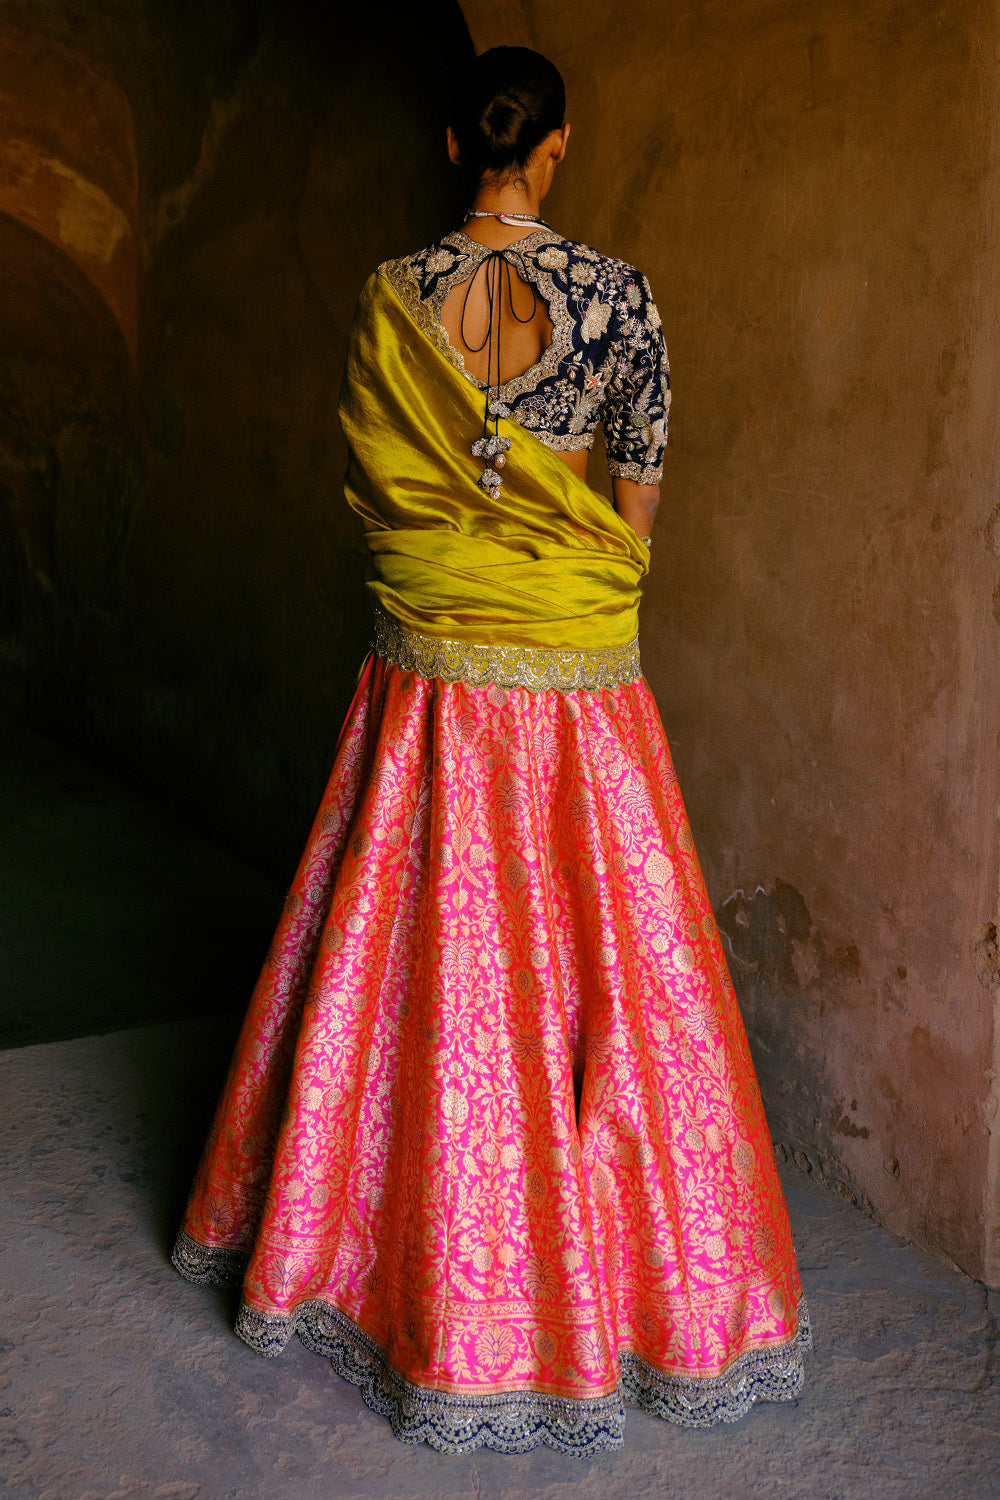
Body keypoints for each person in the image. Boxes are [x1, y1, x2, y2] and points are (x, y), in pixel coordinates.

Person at [172, 46, 810, 1456]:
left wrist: (462, 573)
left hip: (433, 663)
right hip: (575, 668)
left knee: (417, 951)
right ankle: (616, 1282)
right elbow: (635, 506)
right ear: (559, 148)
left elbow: (373, 490)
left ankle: (387, 1254)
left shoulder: (389, 295)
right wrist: (564, 580)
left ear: (458, 140)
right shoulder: (619, 293)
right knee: (603, 961)